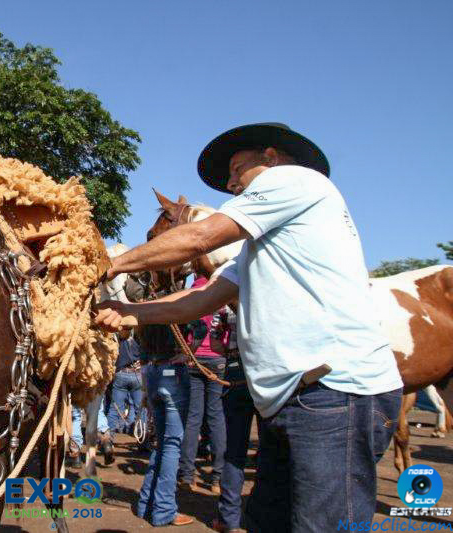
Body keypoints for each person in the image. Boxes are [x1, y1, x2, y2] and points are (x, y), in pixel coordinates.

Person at [94, 123, 403, 533]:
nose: (230, 183)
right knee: (266, 522)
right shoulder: (257, 249)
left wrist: (109, 264)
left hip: (335, 393)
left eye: (236, 169)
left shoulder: (294, 179)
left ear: (271, 158)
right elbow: (202, 299)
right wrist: (129, 311)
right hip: (293, 400)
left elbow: (200, 237)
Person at [134, 318, 195, 526]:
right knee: (171, 445)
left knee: (162, 445)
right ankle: (164, 510)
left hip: (153, 375)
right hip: (173, 374)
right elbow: (201, 326)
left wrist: (145, 391)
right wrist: (189, 352)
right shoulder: (177, 308)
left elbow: (142, 356)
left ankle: (146, 504)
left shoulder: (146, 312)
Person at [178, 277, 226, 496]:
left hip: (194, 359)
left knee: (193, 418)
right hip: (217, 359)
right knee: (216, 417)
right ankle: (217, 478)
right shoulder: (224, 286)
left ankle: (187, 475)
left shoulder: (193, 290)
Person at [210, 306, 256, 533]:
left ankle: (229, 518)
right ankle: (265, 516)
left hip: (236, 369)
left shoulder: (224, 305)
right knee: (272, 447)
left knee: (235, 449)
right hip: (268, 369)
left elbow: (215, 343)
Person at [107, 329, 144, 437]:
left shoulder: (117, 336)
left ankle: (109, 439)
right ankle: (143, 439)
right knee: (140, 408)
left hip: (121, 373)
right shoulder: (139, 336)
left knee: (115, 408)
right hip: (137, 374)